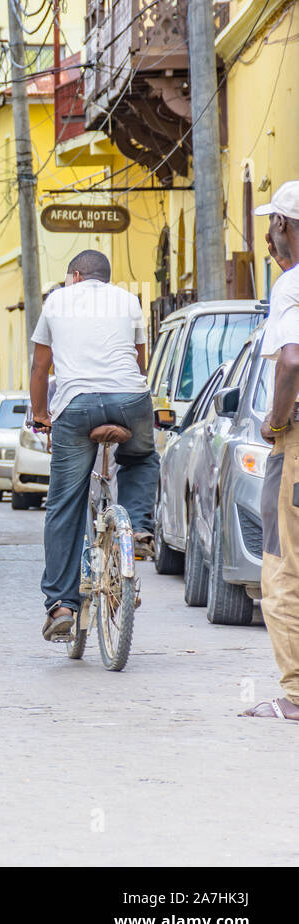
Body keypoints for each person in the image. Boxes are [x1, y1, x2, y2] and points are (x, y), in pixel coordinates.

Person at [29, 249, 159, 641]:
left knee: (64, 501)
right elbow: (140, 362)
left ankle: (62, 605)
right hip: (130, 399)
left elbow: (40, 368)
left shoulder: (56, 300)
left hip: (77, 404)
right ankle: (136, 529)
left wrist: (40, 414)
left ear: (75, 276)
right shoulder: (129, 300)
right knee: (141, 458)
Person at [241, 181, 299, 720]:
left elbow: (291, 361)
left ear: (283, 225)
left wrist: (275, 422)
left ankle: (296, 697)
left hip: (297, 442)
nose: (267, 235)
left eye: (272, 224)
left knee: (282, 568)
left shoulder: (292, 285)